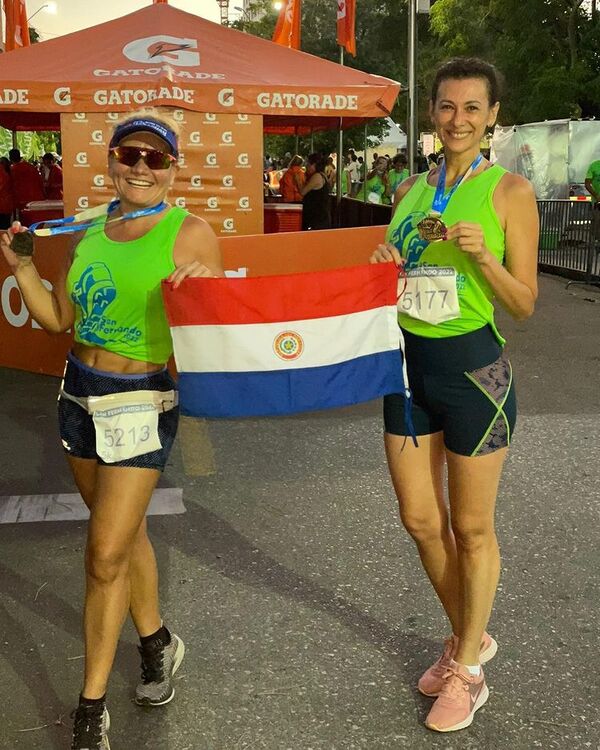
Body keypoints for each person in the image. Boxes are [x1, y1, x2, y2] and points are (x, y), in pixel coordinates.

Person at [0, 109, 224, 750]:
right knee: (121, 536)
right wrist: (20, 268)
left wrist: (203, 291)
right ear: (112, 161)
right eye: (131, 156)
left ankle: (90, 709)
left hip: (140, 402)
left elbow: (218, 324)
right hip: (79, 395)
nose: (142, 168)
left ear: (173, 170)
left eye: (156, 159)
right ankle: (156, 644)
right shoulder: (89, 232)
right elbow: (59, 319)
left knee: (103, 556)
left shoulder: (192, 234)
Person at [369, 57, 538, 732]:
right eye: (446, 106)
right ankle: (470, 635)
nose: (458, 119)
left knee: (470, 527)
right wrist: (384, 263)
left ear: (492, 115)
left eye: (473, 108)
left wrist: (484, 256)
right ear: (431, 114)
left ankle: (466, 666)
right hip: (405, 370)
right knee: (418, 518)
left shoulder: (509, 192)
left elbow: (523, 303)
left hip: (474, 376)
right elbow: (395, 271)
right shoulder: (412, 187)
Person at [300, 152, 331, 230]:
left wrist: (298, 180)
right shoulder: (322, 175)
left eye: (308, 164)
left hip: (317, 219)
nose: (306, 166)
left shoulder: (317, 176)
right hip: (319, 217)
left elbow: (303, 191)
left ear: (314, 165)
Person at [8, 147, 44, 213]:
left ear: (10, 158)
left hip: (23, 200)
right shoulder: (31, 167)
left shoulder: (13, 170)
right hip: (36, 199)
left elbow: (11, 185)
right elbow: (40, 181)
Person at [0, 156, 13, 230]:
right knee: (5, 226)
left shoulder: (2, 173)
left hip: (2, 205)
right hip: (7, 205)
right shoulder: (8, 173)